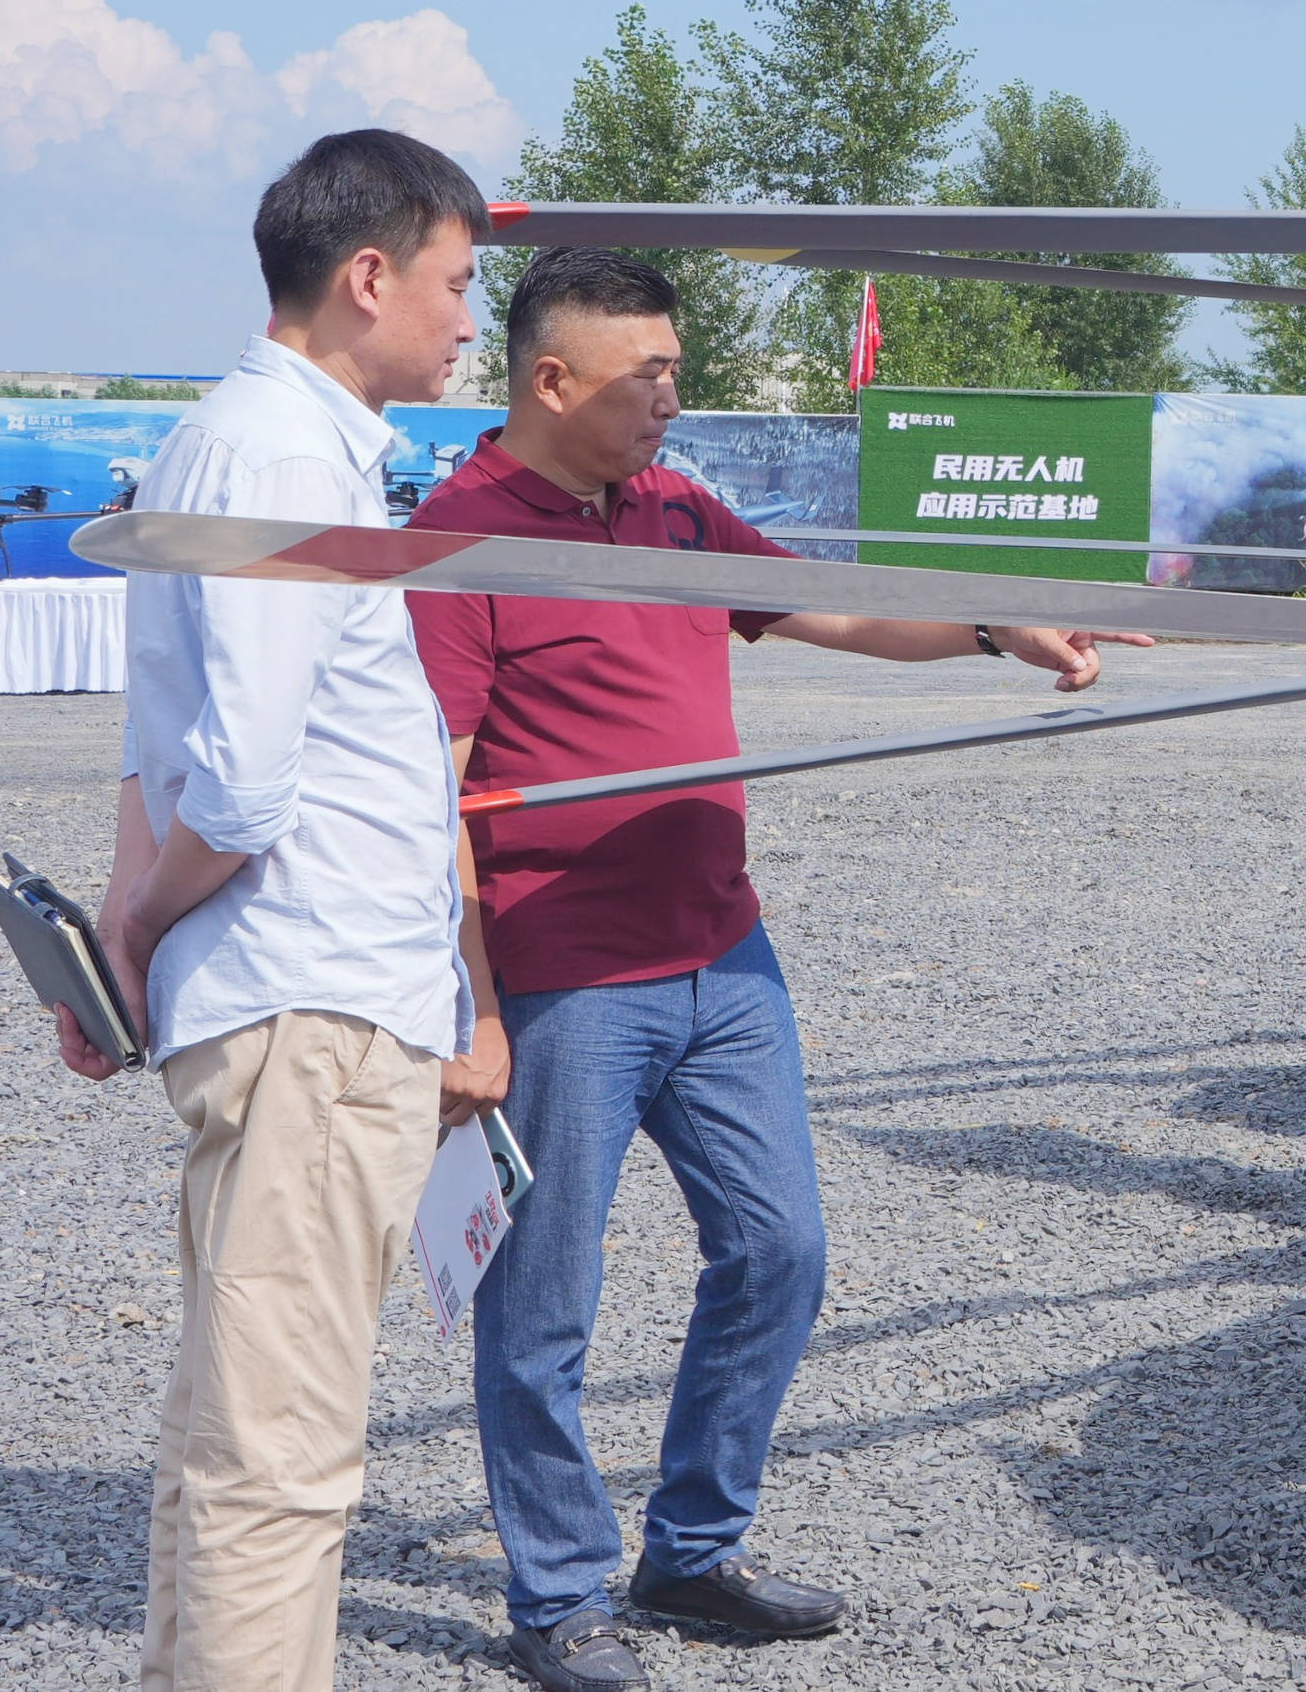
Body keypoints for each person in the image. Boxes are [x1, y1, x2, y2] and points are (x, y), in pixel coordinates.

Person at [406, 247, 1140, 1692]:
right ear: (552, 381)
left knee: (780, 1250)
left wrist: (993, 627)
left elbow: (844, 611)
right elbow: (427, 804)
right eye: (650, 377)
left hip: (722, 956)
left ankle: (689, 1552)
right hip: (564, 982)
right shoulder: (460, 545)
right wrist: (472, 1011)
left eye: (677, 369)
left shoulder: (672, 508)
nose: (675, 399)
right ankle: (557, 1592)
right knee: (544, 1300)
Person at [61, 128, 513, 1692]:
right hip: (317, 1013)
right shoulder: (276, 456)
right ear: (367, 276)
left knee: (231, 1448)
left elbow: (165, 745)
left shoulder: (260, 447)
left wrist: (132, 923)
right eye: (458, 286)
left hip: (299, 1002)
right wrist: (139, 925)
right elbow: (239, 788)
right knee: (282, 1467)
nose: (470, 321)